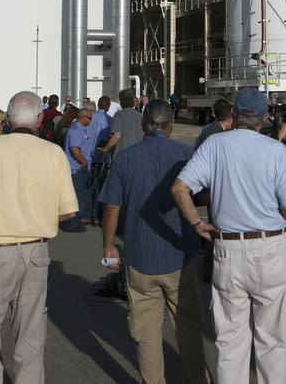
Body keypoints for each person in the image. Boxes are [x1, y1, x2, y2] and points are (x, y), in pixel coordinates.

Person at [172, 88, 286, 384]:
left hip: (228, 249)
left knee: (230, 343)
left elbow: (180, 189)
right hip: (269, 247)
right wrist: (281, 221)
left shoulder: (215, 144)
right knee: (273, 343)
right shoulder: (275, 149)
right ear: (265, 117)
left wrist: (197, 223)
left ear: (234, 115)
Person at [99, 99, 212, 384]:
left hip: (140, 258)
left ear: (142, 124)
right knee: (187, 328)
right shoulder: (187, 154)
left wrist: (109, 246)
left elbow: (111, 207)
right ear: (171, 124)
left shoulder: (125, 158)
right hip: (180, 255)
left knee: (146, 334)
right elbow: (202, 196)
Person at [0, 90, 78, 383]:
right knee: (31, 338)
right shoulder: (53, 153)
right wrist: (40, 216)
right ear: (38, 119)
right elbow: (69, 212)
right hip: (35, 251)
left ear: (7, 118)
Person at [61, 107, 93, 232]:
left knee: (81, 195)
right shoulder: (75, 130)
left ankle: (76, 220)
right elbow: (75, 149)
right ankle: (71, 223)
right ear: (83, 117)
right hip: (77, 168)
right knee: (76, 196)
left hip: (81, 167)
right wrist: (84, 162)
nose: (91, 120)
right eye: (89, 118)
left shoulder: (81, 130)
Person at [98, 87, 143, 159]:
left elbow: (117, 135)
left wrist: (105, 149)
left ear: (121, 101)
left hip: (122, 156)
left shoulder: (119, 115)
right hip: (138, 155)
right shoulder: (140, 116)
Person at [88, 96, 113, 225]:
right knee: (100, 187)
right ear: (108, 106)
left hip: (88, 156)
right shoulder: (109, 120)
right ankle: (98, 217)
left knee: (89, 187)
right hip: (102, 157)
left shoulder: (90, 117)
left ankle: (87, 214)